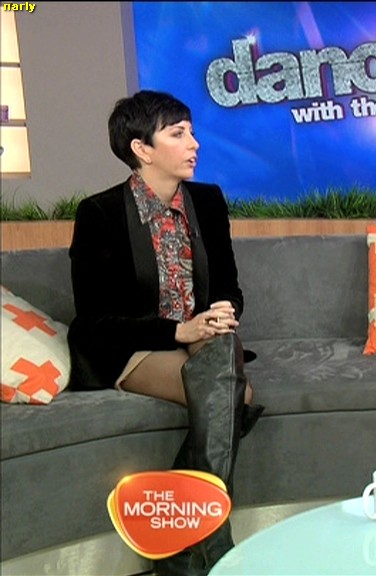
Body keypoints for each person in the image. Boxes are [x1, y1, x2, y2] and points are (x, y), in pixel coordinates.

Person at [67, 90, 264, 576]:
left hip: (202, 338)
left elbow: (228, 285)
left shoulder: (207, 202)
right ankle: (208, 539)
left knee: (224, 359)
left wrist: (223, 312)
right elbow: (95, 320)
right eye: (178, 134)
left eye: (191, 132)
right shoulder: (99, 214)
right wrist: (179, 331)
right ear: (142, 149)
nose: (194, 143)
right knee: (234, 394)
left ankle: (181, 545)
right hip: (133, 347)